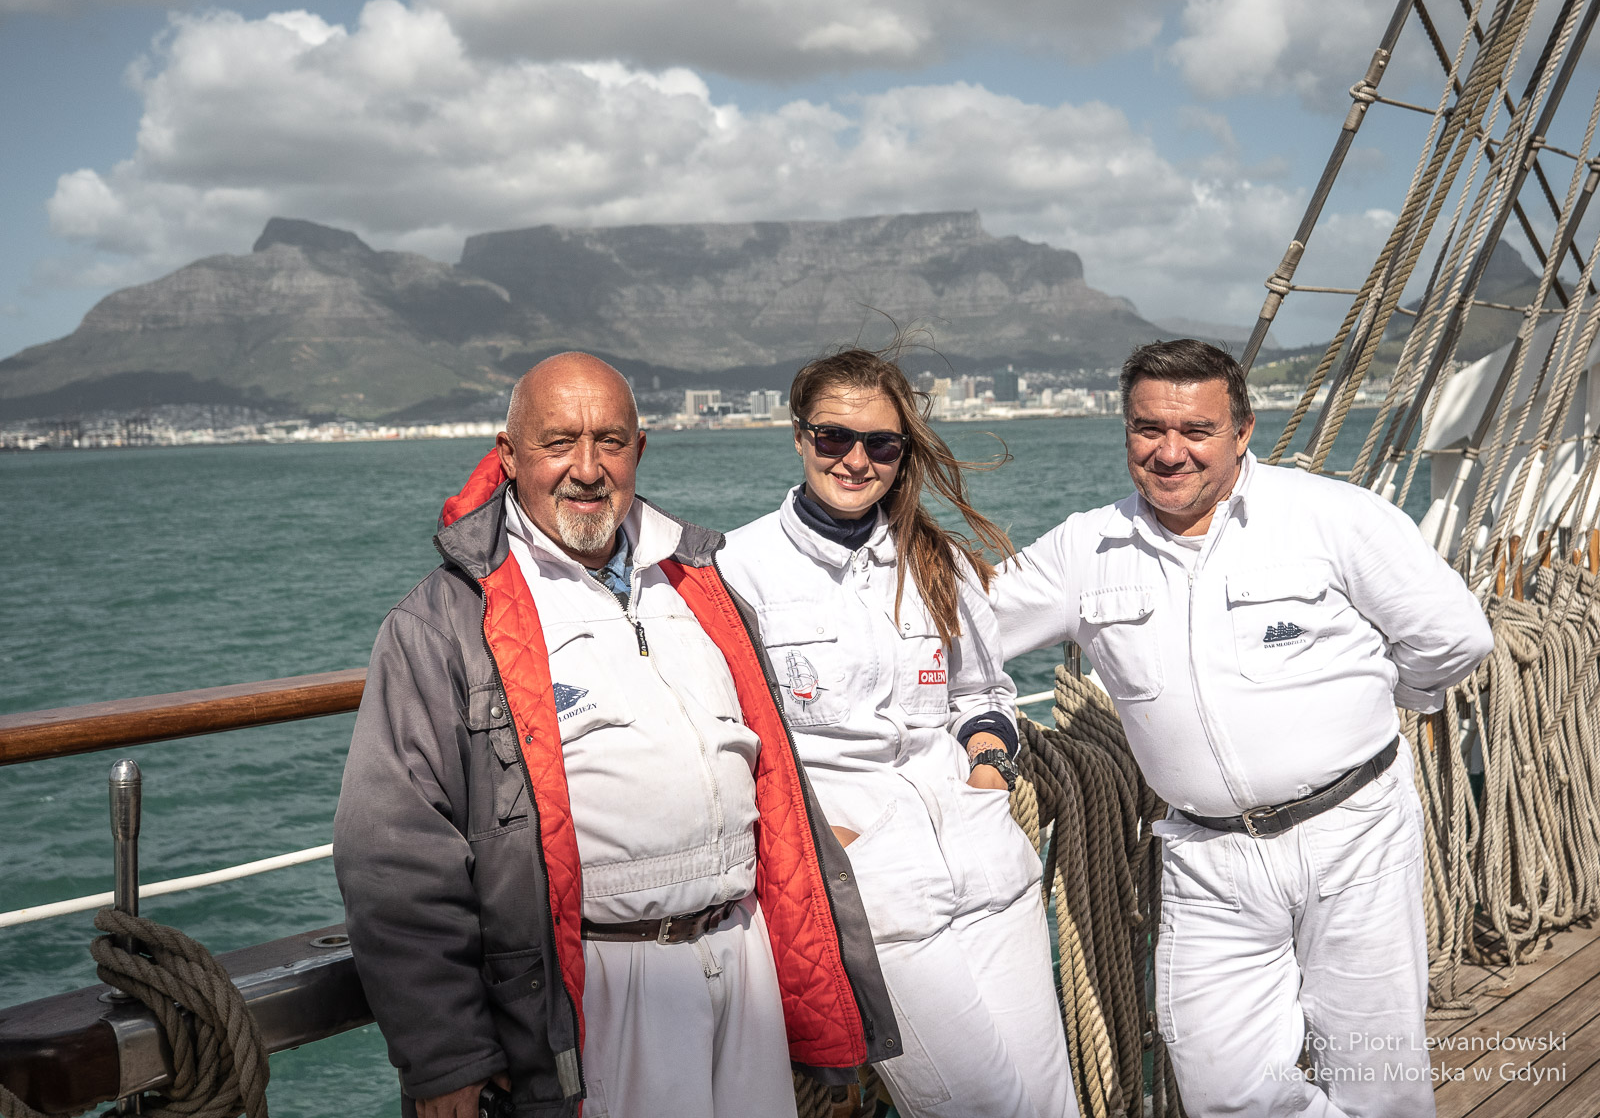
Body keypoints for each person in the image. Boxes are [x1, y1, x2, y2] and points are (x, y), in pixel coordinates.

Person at [333, 352, 898, 1118]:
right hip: (598, 986)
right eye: (558, 442)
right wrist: (446, 1057)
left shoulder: (701, 584)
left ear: (640, 449)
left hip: (744, 961)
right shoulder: (443, 623)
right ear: (509, 456)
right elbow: (394, 857)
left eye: (610, 441)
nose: (587, 468)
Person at [992, 339, 1494, 1117]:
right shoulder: (1086, 549)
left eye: (1196, 429)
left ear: (1242, 430)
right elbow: (959, 631)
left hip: (1353, 832)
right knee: (1225, 1089)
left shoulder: (1329, 516)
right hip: (1206, 854)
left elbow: (1454, 636)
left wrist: (1391, 699)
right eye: (1148, 429)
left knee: (1376, 1073)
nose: (1170, 452)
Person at [719, 348, 1079, 1118]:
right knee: (978, 1109)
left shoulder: (936, 559)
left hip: (993, 873)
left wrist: (988, 774)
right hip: (876, 901)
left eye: (881, 444)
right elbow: (731, 743)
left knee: (1052, 1106)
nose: (856, 460)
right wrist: (836, 844)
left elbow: (984, 692)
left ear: (903, 451)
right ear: (799, 436)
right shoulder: (737, 570)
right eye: (834, 437)